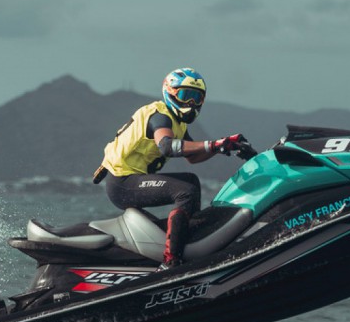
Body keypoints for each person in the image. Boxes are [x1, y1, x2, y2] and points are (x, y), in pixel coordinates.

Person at [93, 67, 250, 267]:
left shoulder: (177, 122)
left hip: (131, 180)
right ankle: (171, 261)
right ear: (170, 92)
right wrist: (214, 144)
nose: (191, 103)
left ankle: (189, 242)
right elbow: (167, 146)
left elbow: (192, 156)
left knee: (191, 181)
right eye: (186, 96)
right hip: (122, 184)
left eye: (197, 98)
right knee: (185, 190)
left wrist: (223, 146)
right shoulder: (161, 116)